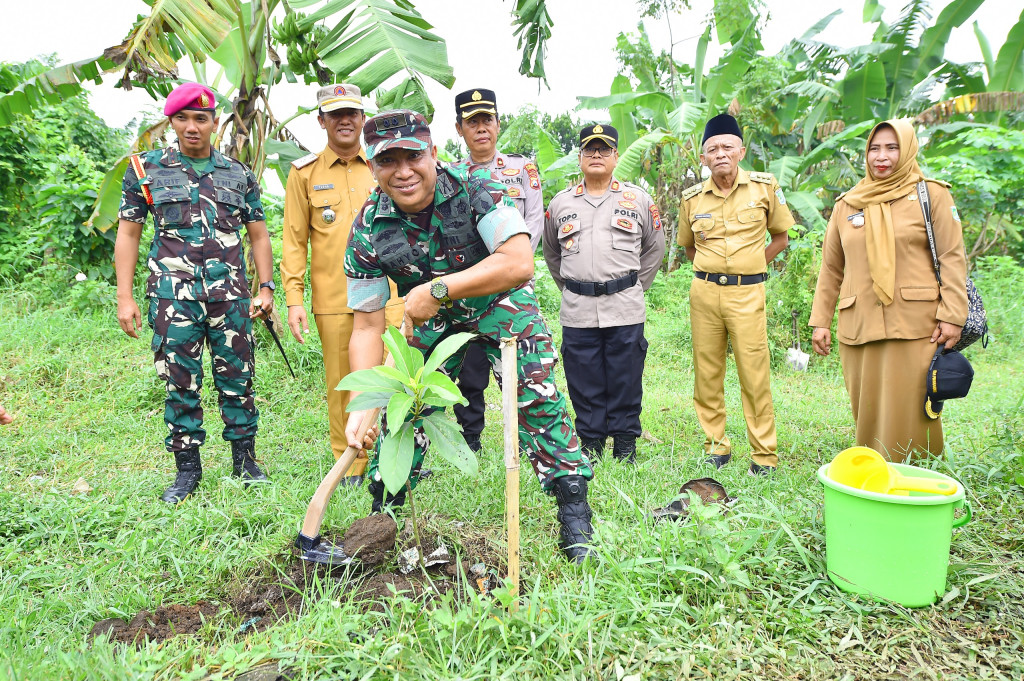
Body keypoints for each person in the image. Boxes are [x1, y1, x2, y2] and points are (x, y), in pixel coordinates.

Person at [342, 109, 595, 563]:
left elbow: (519, 262)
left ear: (434, 153)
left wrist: (437, 289)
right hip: (431, 321)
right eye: (387, 161)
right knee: (404, 408)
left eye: (413, 157)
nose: (403, 172)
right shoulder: (367, 228)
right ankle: (385, 517)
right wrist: (363, 402)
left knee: (536, 399)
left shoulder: (477, 188)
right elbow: (366, 325)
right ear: (372, 166)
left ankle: (574, 514)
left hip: (499, 302)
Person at [115, 82, 275, 503]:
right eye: (182, 118)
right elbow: (129, 234)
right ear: (171, 122)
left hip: (230, 296)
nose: (192, 127)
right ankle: (187, 470)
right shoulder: (146, 170)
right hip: (173, 297)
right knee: (179, 381)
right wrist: (124, 297)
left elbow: (258, 235)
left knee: (238, 378)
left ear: (214, 123)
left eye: (201, 119)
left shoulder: (237, 173)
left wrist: (266, 286)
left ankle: (245, 461)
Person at [809, 119, 967, 462]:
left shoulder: (932, 195)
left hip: (917, 324)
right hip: (859, 323)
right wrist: (821, 320)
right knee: (867, 408)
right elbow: (831, 268)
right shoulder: (847, 204)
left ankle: (921, 474)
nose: (881, 156)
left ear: (907, 150)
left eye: (892, 148)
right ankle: (875, 472)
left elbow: (952, 257)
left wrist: (953, 315)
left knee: (915, 406)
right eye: (875, 148)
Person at [281, 84, 404, 485]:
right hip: (335, 300)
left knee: (396, 378)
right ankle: (351, 465)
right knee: (343, 384)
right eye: (335, 114)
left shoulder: (385, 165)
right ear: (322, 121)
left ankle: (397, 459)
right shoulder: (304, 174)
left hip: (390, 296)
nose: (345, 121)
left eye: (352, 113)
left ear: (363, 118)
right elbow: (294, 241)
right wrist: (294, 299)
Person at [677, 113, 793, 476]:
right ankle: (716, 446)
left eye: (728, 147)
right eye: (712, 149)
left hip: (747, 294)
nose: (720, 154)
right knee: (707, 372)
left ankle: (764, 454)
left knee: (754, 374)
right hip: (705, 293)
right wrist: (713, 272)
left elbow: (781, 238)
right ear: (703, 158)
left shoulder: (764, 187)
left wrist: (752, 267)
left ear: (741, 151)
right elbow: (689, 247)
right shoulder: (691, 199)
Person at [543, 124, 665, 463]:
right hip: (578, 309)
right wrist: (575, 287)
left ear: (615, 156)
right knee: (583, 379)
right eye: (590, 149)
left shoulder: (637, 200)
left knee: (626, 377)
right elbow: (551, 253)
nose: (596, 155)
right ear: (580, 157)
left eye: (604, 149)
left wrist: (632, 286)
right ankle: (591, 444)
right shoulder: (561, 203)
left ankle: (625, 445)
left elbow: (655, 249)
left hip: (625, 306)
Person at [451, 88, 545, 452]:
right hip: (469, 288)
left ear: (498, 124)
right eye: (472, 122)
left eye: (486, 120)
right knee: (469, 368)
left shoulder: (522, 170)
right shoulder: (452, 175)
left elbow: (533, 222)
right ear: (459, 129)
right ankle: (470, 437)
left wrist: (509, 267)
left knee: (519, 367)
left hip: (512, 288)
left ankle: (522, 439)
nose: (481, 128)